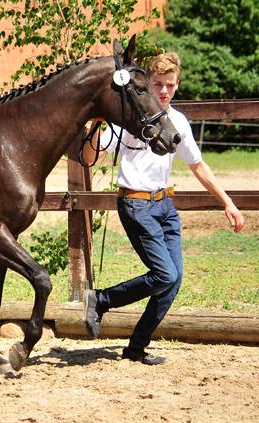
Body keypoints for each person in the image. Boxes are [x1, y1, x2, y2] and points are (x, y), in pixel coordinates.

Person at [82, 52, 245, 365]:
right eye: (158, 84)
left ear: (177, 85)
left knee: (174, 280)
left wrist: (228, 203)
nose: (164, 91)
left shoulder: (177, 122)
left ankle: (135, 347)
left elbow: (199, 167)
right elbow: (90, 158)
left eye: (170, 85)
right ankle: (101, 299)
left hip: (165, 207)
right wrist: (96, 127)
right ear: (148, 83)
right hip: (135, 204)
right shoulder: (128, 118)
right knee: (165, 274)